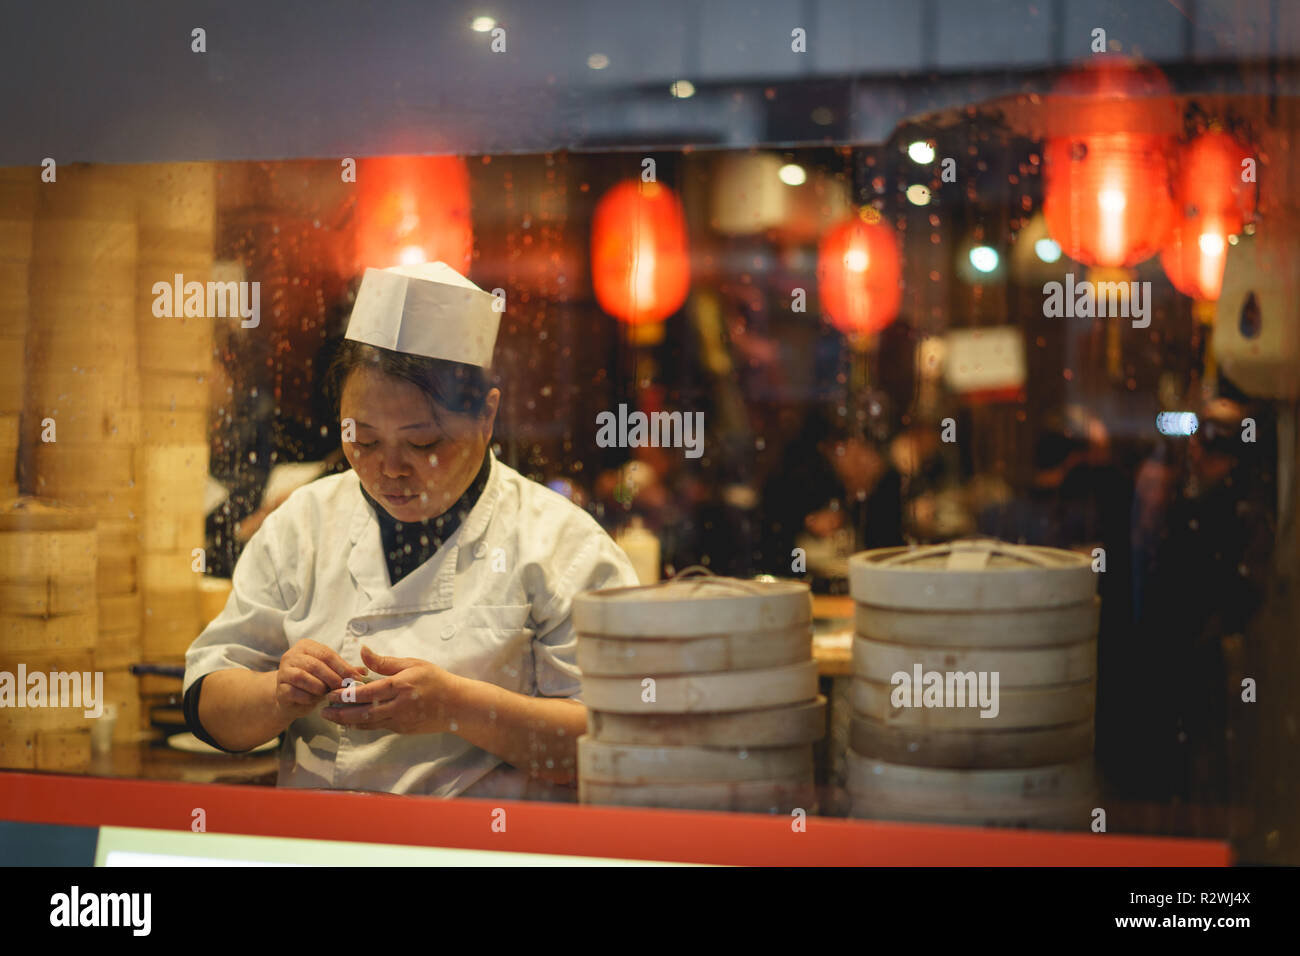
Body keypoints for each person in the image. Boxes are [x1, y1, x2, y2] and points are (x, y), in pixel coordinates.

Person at [183, 262, 639, 798]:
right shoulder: (301, 526)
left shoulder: (564, 546)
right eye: (364, 440)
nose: (389, 469)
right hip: (315, 849)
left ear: (486, 417)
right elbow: (207, 700)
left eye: (423, 444)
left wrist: (457, 707)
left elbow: (615, 740)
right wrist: (277, 694)